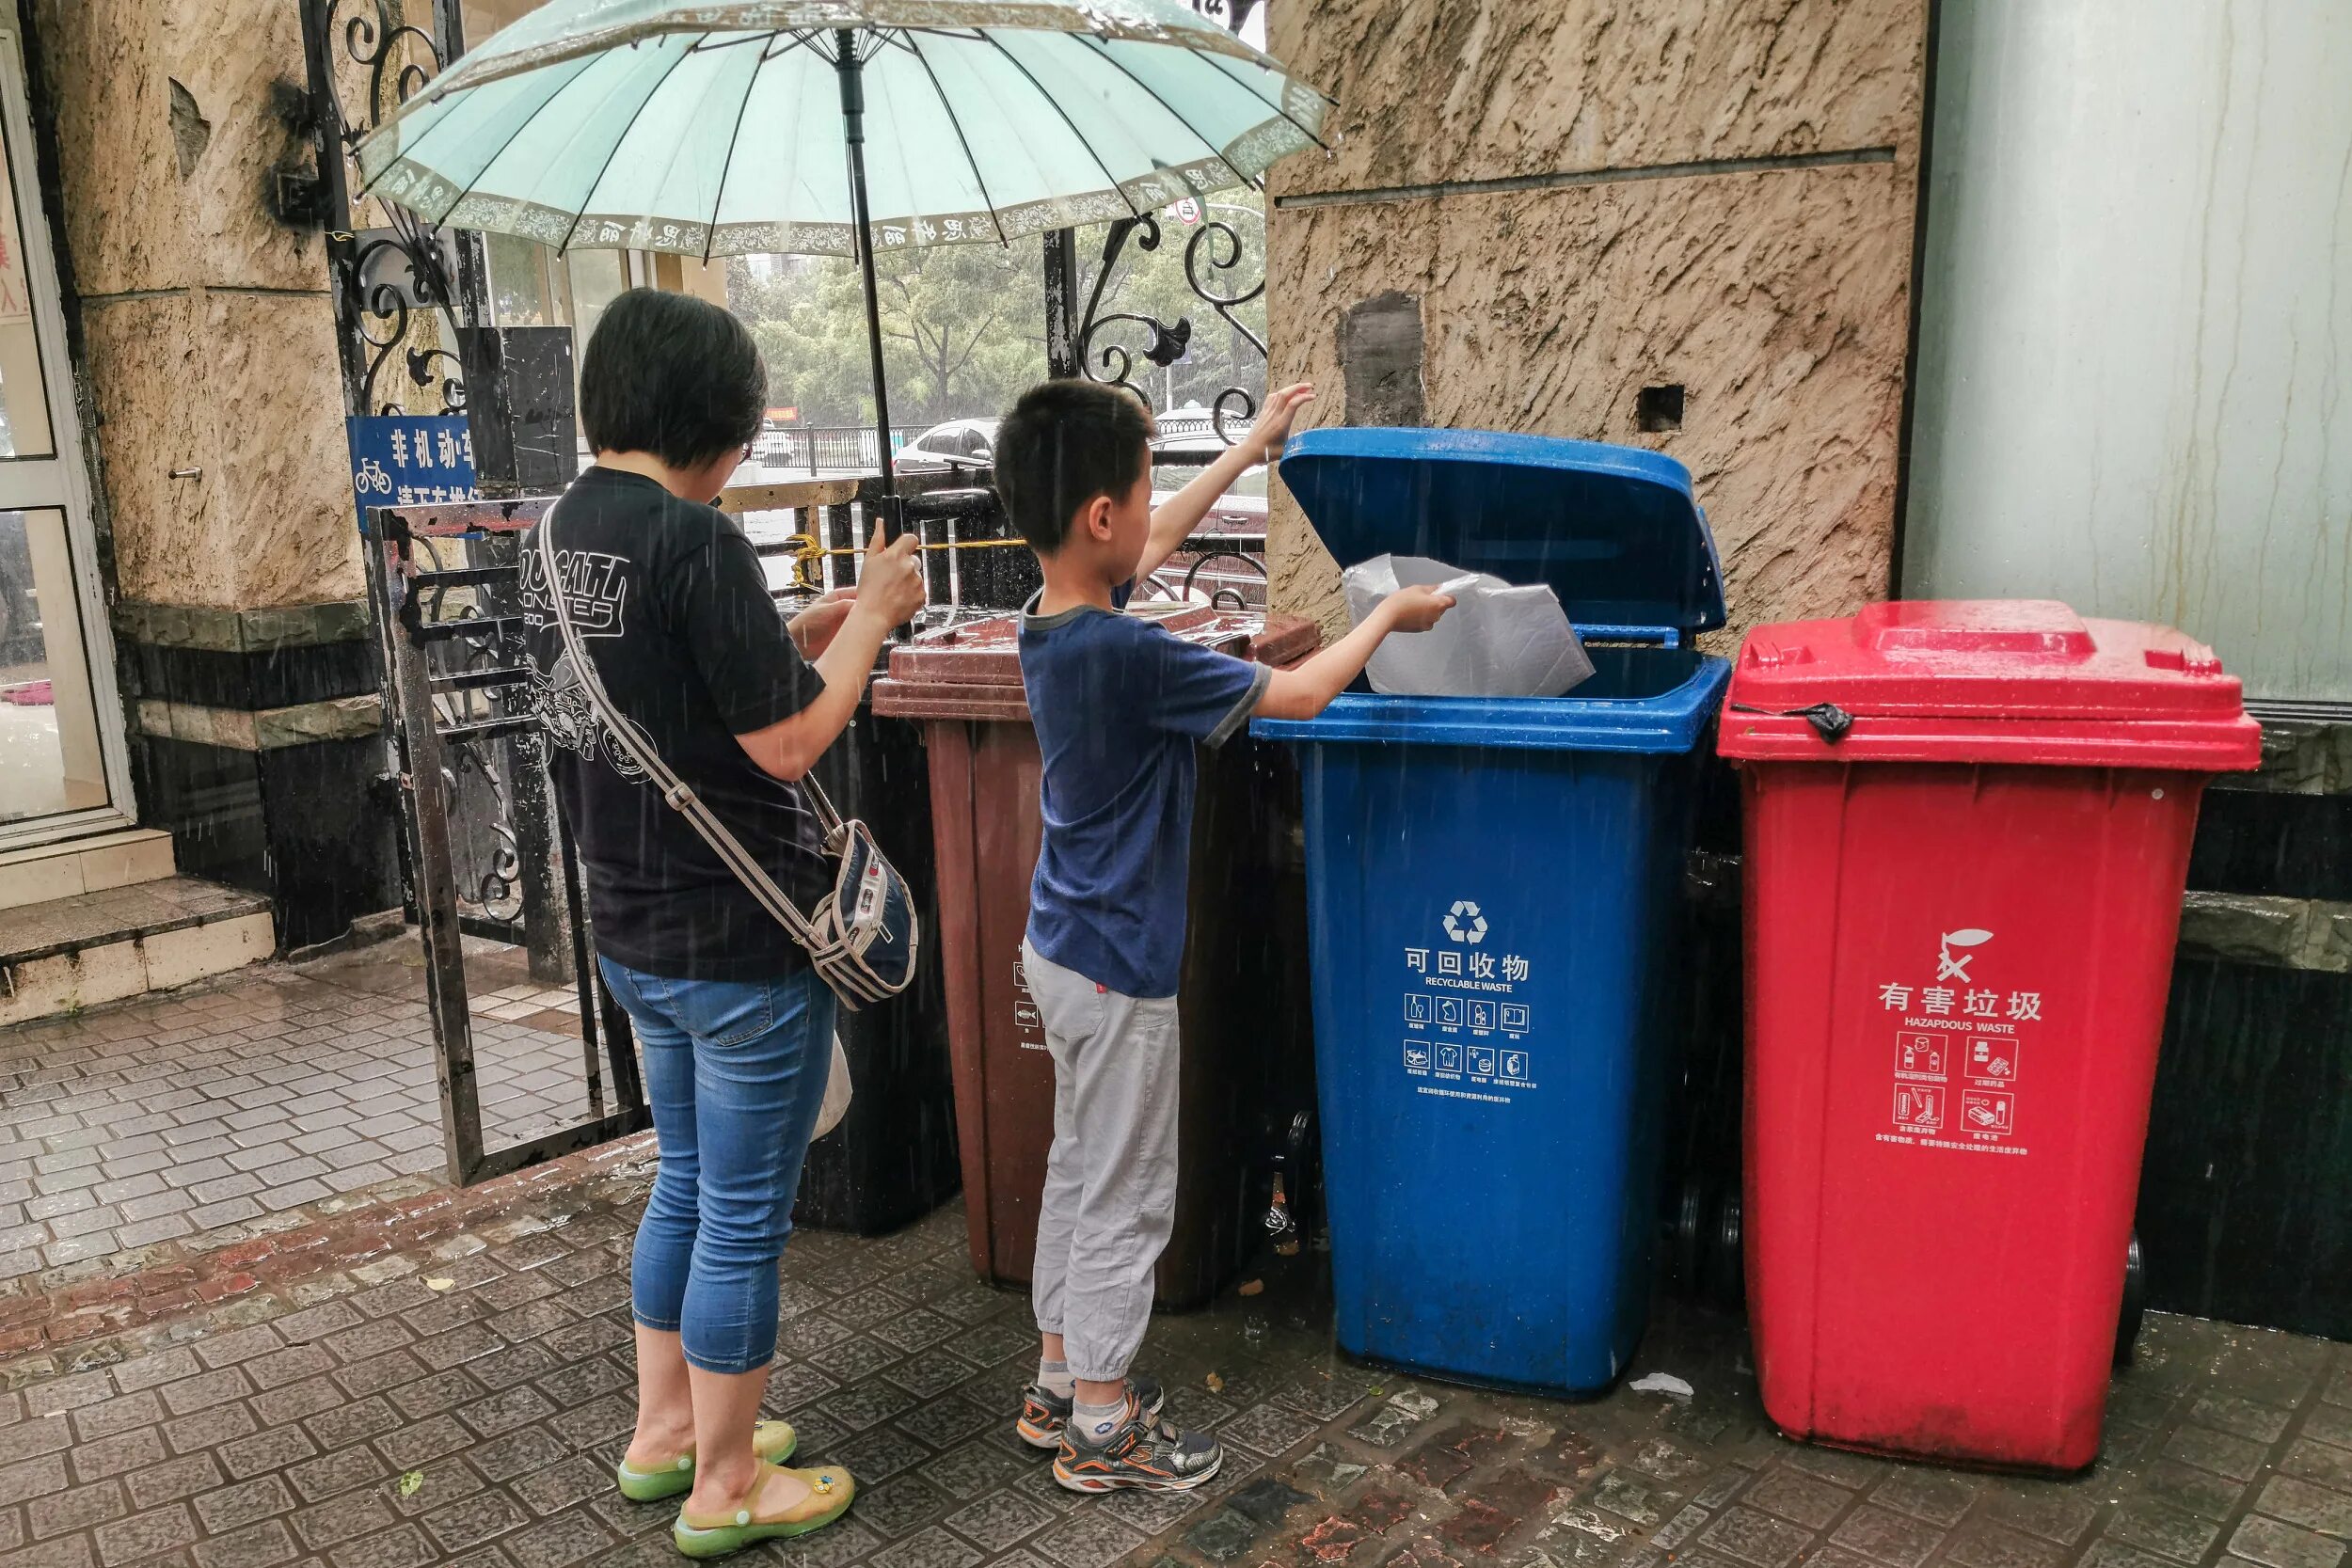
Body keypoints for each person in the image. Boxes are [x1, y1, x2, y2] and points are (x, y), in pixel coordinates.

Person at [519, 288, 925, 1558]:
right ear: (717, 428)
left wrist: (808, 628)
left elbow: (678, 681)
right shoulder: (695, 539)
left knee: (684, 1183)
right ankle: (730, 1480)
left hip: (633, 937)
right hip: (742, 942)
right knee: (744, 1212)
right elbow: (794, 732)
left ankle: (666, 1432)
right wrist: (868, 615)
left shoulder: (562, 529)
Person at [994, 378, 1454, 1492]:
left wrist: (1251, 445)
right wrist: (1385, 619)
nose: (1153, 514)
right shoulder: (1131, 657)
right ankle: (1103, 1424)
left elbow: (1149, 538)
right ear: (1100, 515)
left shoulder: (1051, 617)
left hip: (1059, 948)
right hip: (1115, 966)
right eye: (1142, 491)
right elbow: (1295, 695)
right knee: (1125, 1191)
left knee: (1078, 1170)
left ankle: (1059, 1381)